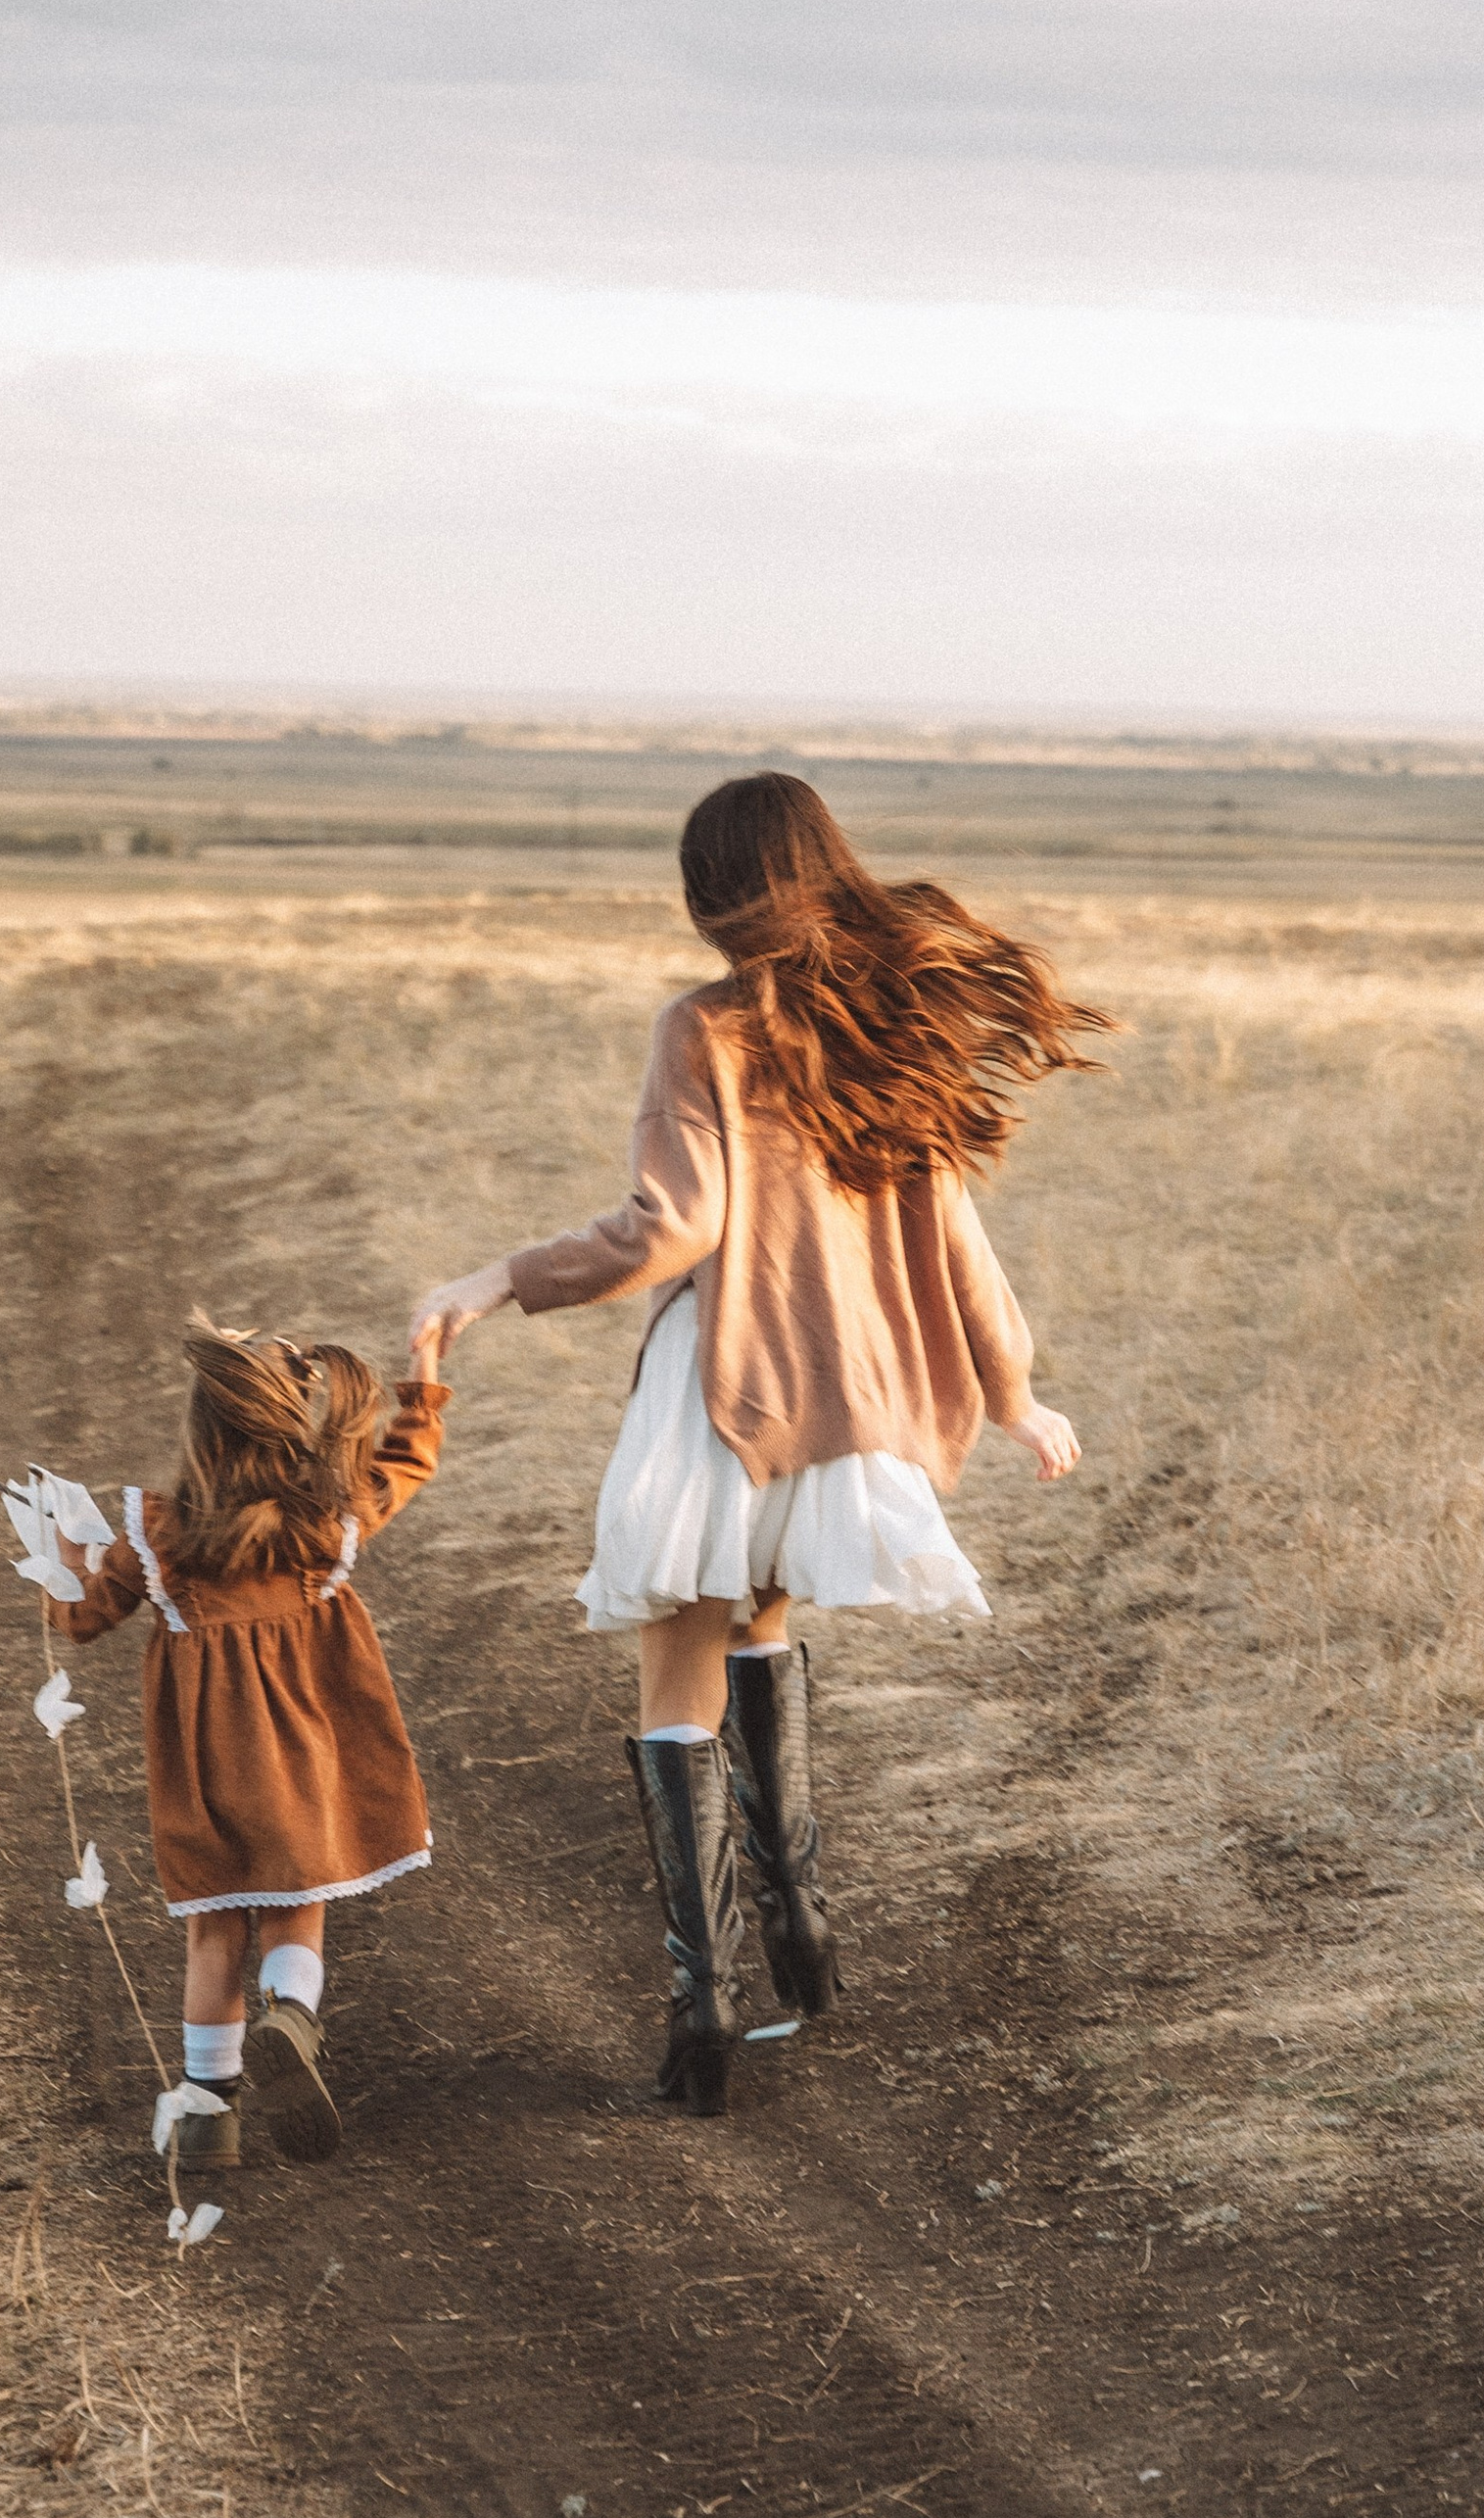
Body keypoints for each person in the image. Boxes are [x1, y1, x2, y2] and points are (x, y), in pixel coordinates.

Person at [412, 770, 1105, 2118]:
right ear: (826, 867)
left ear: (711, 894)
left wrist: (496, 1277)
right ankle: (803, 1933)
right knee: (760, 1617)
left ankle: (704, 1997)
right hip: (846, 1398)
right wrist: (1011, 1387)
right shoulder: (887, 1022)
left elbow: (670, 1228)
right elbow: (958, 1236)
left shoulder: (705, 1028)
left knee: (677, 1663)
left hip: (723, 1386)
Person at [34, 1318, 450, 2171]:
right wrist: (423, 1386)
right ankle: (291, 2014)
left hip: (205, 1775)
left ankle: (206, 2119)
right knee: (297, 1906)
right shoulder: (332, 1520)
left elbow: (75, 1619)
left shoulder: (157, 1533)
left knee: (215, 1931)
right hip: (306, 1767)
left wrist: (55, 1549)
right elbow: (410, 1463)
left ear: (199, 1432)